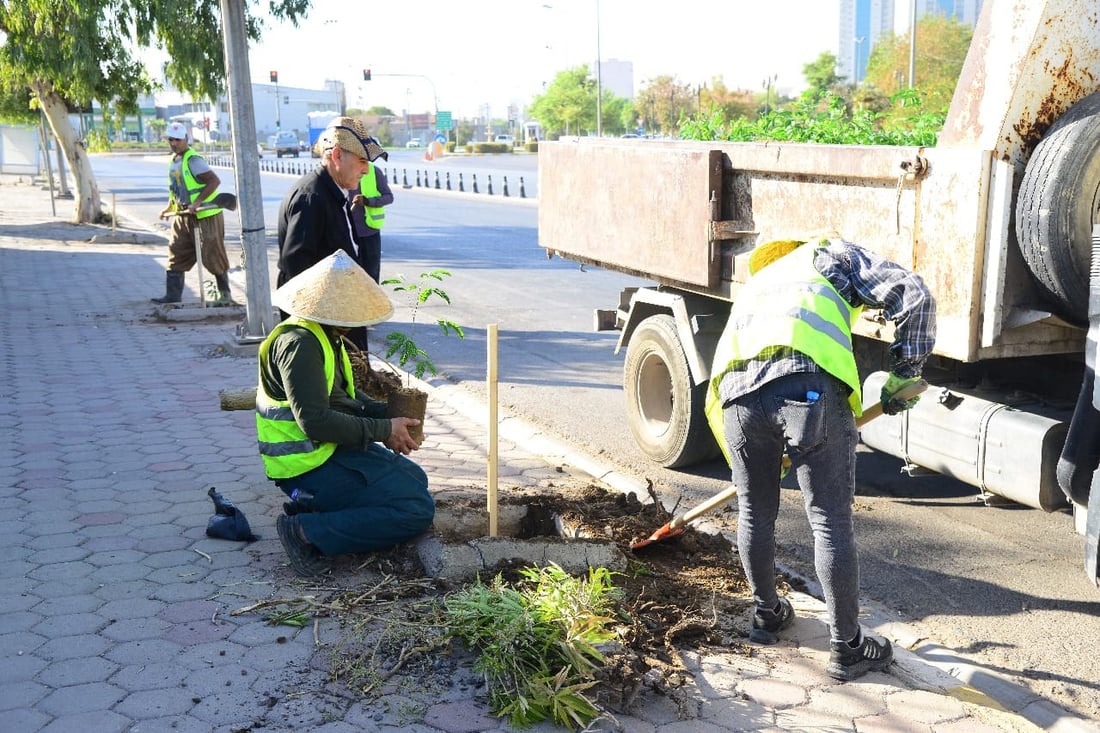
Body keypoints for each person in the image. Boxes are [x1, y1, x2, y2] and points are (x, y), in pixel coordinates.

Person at [705, 234, 936, 681]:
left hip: (736, 400)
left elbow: (729, 396)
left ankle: (767, 616)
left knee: (754, 511)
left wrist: (768, 449)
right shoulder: (828, 254)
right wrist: (904, 374)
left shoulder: (756, 288)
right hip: (808, 389)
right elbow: (914, 295)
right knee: (829, 520)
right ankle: (848, 648)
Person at [256, 249, 435, 577]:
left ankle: (314, 505)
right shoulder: (300, 344)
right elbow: (315, 421)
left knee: (415, 479)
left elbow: (340, 401)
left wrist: (390, 417)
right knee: (415, 509)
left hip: (326, 453)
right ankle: (305, 531)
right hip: (304, 465)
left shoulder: (324, 336)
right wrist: (383, 431)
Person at [276, 116, 374, 290]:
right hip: (318, 313)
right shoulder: (311, 198)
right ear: (337, 156)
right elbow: (296, 265)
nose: (366, 170)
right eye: (362, 161)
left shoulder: (332, 192)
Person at [152, 121, 233, 305]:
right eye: (171, 140)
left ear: (186, 139)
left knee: (213, 255)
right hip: (183, 216)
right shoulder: (174, 161)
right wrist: (169, 208)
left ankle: (225, 296)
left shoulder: (193, 160)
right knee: (176, 252)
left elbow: (214, 181)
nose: (173, 143)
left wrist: (197, 202)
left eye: (177, 140)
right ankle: (172, 296)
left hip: (205, 217)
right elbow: (178, 189)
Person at [348, 141, 393, 284]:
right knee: (351, 279)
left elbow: (388, 197)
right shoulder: (343, 171)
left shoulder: (374, 172)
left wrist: (368, 201)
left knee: (371, 278)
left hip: (369, 232)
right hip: (348, 233)